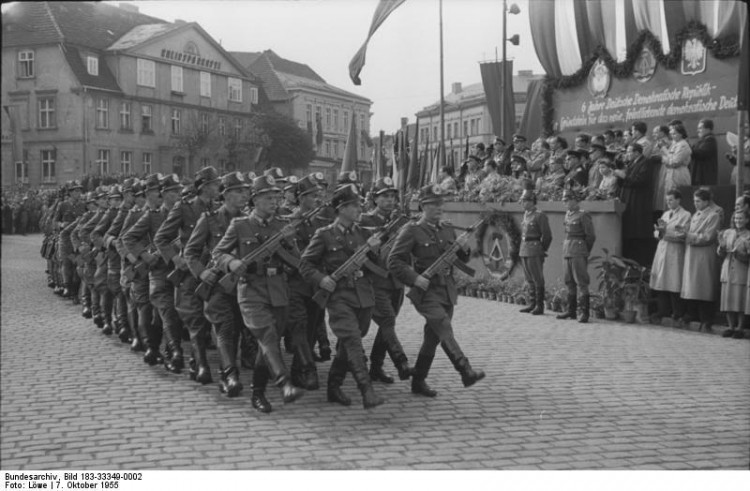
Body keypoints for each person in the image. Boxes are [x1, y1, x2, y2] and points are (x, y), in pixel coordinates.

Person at [212, 175, 305, 411]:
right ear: (254, 200)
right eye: (268, 197)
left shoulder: (282, 225)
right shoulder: (240, 225)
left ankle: (258, 392)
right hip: (251, 289)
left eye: (276, 197)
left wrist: (287, 241)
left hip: (278, 290)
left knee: (268, 343)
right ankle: (284, 383)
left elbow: (298, 262)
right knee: (267, 336)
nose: (274, 201)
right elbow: (218, 253)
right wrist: (232, 263)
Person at [388, 184, 485, 398]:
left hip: (446, 289)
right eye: (433, 204)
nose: (439, 208)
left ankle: (418, 381)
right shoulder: (411, 230)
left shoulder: (447, 228)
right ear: (422, 206)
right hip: (425, 290)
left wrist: (463, 248)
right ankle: (465, 370)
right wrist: (415, 278)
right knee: (443, 325)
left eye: (441, 204)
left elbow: (463, 259)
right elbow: (393, 260)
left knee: (432, 338)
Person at [300, 184, 385, 409]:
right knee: (354, 341)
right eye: (355, 205)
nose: (360, 208)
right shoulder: (324, 235)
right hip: (339, 296)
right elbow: (305, 264)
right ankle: (367, 391)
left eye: (359, 204)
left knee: (349, 343)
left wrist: (375, 251)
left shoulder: (364, 233)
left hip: (364, 297)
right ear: (342, 208)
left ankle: (333, 386)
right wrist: (321, 279)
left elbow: (379, 268)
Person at [183, 172, 252, 396]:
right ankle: (229, 376)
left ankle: (229, 370)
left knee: (239, 330)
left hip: (242, 285)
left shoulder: (248, 220)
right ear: (226, 194)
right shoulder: (210, 219)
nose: (244, 195)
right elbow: (190, 252)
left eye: (246, 191)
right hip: (218, 286)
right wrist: (201, 273)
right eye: (239, 191)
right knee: (225, 328)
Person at [154, 166, 220, 383]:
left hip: (212, 271)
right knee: (194, 319)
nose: (217, 187)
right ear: (204, 187)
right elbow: (161, 238)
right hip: (190, 272)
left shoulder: (218, 210)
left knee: (216, 317)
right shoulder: (184, 208)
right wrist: (175, 259)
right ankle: (199, 363)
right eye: (213, 184)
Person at [122, 174, 183, 368]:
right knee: (163, 310)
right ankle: (174, 352)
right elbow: (128, 238)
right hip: (158, 270)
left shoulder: (187, 213)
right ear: (162, 194)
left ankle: (155, 347)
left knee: (162, 315)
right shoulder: (152, 216)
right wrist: (143, 255)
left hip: (182, 269)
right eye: (174, 192)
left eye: (179, 191)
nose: (179, 195)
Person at [359, 177, 413, 384]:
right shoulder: (365, 221)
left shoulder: (403, 222)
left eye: (392, 196)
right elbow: (358, 252)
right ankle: (401, 362)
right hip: (375, 281)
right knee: (388, 320)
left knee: (386, 325)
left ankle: (376, 367)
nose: (390, 201)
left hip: (396, 281)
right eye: (385, 197)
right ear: (374, 199)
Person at [680, 188, 721, 332]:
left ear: (706, 201)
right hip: (692, 254)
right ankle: (693, 315)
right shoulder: (695, 214)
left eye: (698, 201)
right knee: (693, 284)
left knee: (704, 284)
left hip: (704, 255)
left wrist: (689, 236)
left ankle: (706, 318)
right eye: (694, 201)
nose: (695, 204)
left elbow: (709, 237)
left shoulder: (713, 216)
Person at [650, 190, 691, 323]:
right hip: (663, 249)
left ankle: (677, 312)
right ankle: (663, 310)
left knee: (674, 281)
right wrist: (659, 232)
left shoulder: (686, 215)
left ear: (679, 200)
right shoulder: (666, 214)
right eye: (667, 200)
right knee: (661, 280)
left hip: (675, 250)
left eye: (671, 200)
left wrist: (665, 233)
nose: (669, 203)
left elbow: (682, 235)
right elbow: (656, 232)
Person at [557, 188, 596, 323]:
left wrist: (585, 250)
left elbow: (590, 236)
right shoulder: (568, 214)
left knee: (581, 281)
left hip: (578, 250)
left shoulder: (583, 215)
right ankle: (571, 310)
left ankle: (584, 313)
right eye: (563, 200)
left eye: (567, 200)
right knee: (569, 280)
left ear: (574, 200)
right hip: (567, 249)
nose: (565, 203)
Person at [616, 143, 654, 266]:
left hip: (639, 201)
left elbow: (640, 181)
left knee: (637, 232)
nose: (627, 154)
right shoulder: (631, 163)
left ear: (637, 152)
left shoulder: (645, 162)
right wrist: (620, 176)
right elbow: (624, 182)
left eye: (629, 151)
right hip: (628, 199)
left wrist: (624, 176)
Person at [518, 189, 552, 315]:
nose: (522, 203)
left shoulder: (539, 215)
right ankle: (532, 303)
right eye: (522, 201)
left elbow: (547, 236)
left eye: (524, 201)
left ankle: (539, 305)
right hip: (525, 248)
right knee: (529, 278)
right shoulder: (526, 214)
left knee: (537, 278)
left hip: (534, 248)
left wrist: (541, 249)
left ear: (531, 201)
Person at [718, 210, 750, 338]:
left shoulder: (748, 235)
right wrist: (721, 247)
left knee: (739, 299)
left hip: (740, 269)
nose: (738, 221)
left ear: (747, 220)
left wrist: (740, 254)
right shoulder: (728, 233)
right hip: (727, 268)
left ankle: (740, 327)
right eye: (736, 218)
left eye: (741, 219)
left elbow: (748, 257)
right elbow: (720, 253)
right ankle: (730, 326)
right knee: (728, 299)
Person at [663, 123, 692, 198]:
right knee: (669, 197)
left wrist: (664, 157)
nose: (672, 136)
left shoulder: (683, 145)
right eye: (671, 134)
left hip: (679, 174)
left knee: (679, 197)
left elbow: (675, 162)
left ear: (681, 134)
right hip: (671, 175)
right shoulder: (674, 144)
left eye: (674, 134)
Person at [690, 119, 718, 186]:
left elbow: (701, 154)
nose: (697, 130)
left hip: (704, 178)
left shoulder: (710, 140)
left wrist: (687, 148)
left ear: (708, 129)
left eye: (700, 128)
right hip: (698, 176)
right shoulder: (702, 141)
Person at [651, 125, 672, 213]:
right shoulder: (658, 142)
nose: (653, 134)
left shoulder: (666, 142)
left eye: (656, 132)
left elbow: (665, 156)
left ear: (662, 133)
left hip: (663, 169)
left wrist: (654, 157)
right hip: (657, 169)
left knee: (661, 191)